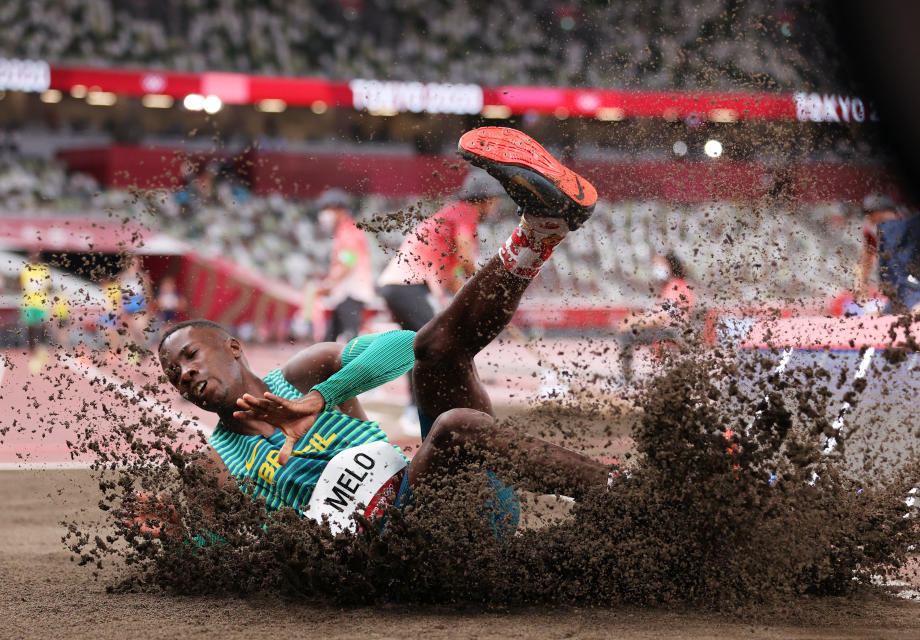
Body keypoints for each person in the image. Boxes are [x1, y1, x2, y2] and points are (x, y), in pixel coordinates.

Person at [152, 127, 609, 538]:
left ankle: (542, 229)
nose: (184, 374)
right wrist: (178, 540)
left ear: (233, 347)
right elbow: (223, 555)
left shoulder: (306, 373)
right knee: (455, 426)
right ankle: (616, 492)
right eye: (173, 374)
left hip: (447, 496)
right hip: (394, 551)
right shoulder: (212, 466)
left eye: (190, 355)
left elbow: (402, 349)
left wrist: (321, 397)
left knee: (436, 352)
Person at [377, 169, 503, 435]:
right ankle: (421, 411)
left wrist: (473, 297)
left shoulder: (454, 216)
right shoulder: (464, 212)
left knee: (421, 347)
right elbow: (467, 259)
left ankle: (423, 409)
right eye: (494, 198)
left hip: (404, 286)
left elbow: (454, 277)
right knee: (431, 347)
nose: (497, 204)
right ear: (483, 199)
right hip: (407, 286)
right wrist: (484, 288)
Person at [619, 251, 696, 384]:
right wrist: (636, 319)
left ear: (670, 266)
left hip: (671, 333)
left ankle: (625, 381)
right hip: (673, 332)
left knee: (627, 334)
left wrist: (634, 322)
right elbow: (659, 314)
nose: (656, 269)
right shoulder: (679, 285)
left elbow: (662, 317)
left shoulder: (675, 287)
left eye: (660, 265)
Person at [314, 188, 375, 343]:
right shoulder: (345, 230)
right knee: (332, 336)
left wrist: (329, 283)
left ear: (340, 210)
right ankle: (324, 364)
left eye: (329, 209)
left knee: (349, 336)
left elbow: (348, 262)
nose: (325, 214)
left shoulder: (347, 232)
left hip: (351, 292)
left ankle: (351, 366)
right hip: (346, 292)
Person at [20, 251, 51, 373]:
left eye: (36, 255)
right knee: (30, 327)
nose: (34, 257)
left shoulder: (44, 270)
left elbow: (47, 286)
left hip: (41, 303)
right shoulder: (25, 270)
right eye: (32, 255)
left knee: (43, 326)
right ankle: (32, 350)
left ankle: (42, 348)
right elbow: (22, 286)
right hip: (29, 303)